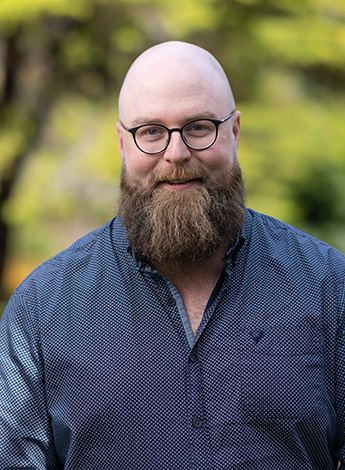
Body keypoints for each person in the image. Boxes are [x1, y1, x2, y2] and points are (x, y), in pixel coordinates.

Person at [0, 41, 344, 469]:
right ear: (123, 144)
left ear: (234, 132)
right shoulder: (40, 311)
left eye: (199, 126)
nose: (176, 153)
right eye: (151, 132)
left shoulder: (329, 288)